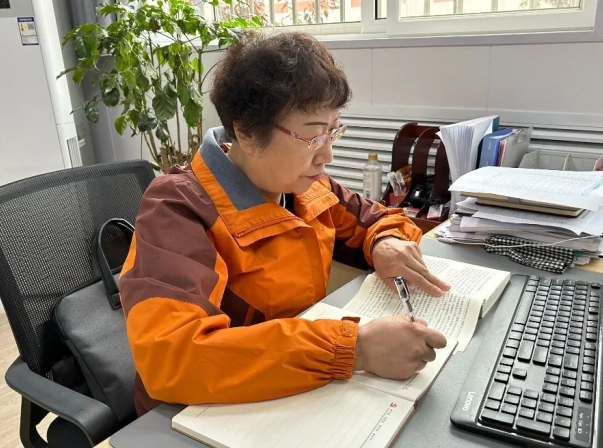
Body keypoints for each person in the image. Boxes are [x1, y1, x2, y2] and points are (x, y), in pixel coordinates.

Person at [119, 31, 452, 416]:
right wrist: (355, 348)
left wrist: (384, 241)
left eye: (333, 131)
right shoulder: (178, 208)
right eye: (312, 137)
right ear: (246, 132)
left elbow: (375, 219)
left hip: (289, 389)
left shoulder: (304, 187)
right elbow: (174, 356)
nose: (327, 154)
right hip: (193, 415)